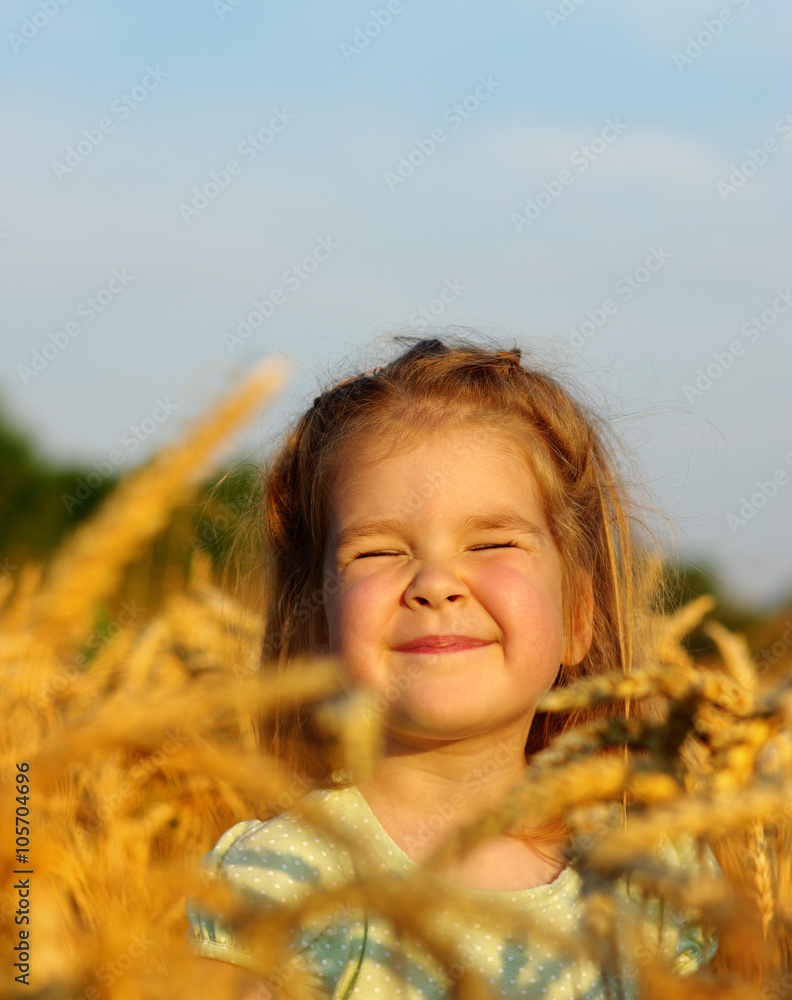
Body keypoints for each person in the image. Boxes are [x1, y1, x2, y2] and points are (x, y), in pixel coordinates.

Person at [185, 335, 717, 998]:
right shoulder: (284, 876)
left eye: (492, 542)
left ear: (578, 615)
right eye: (377, 553)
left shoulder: (654, 870)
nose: (436, 583)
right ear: (319, 625)